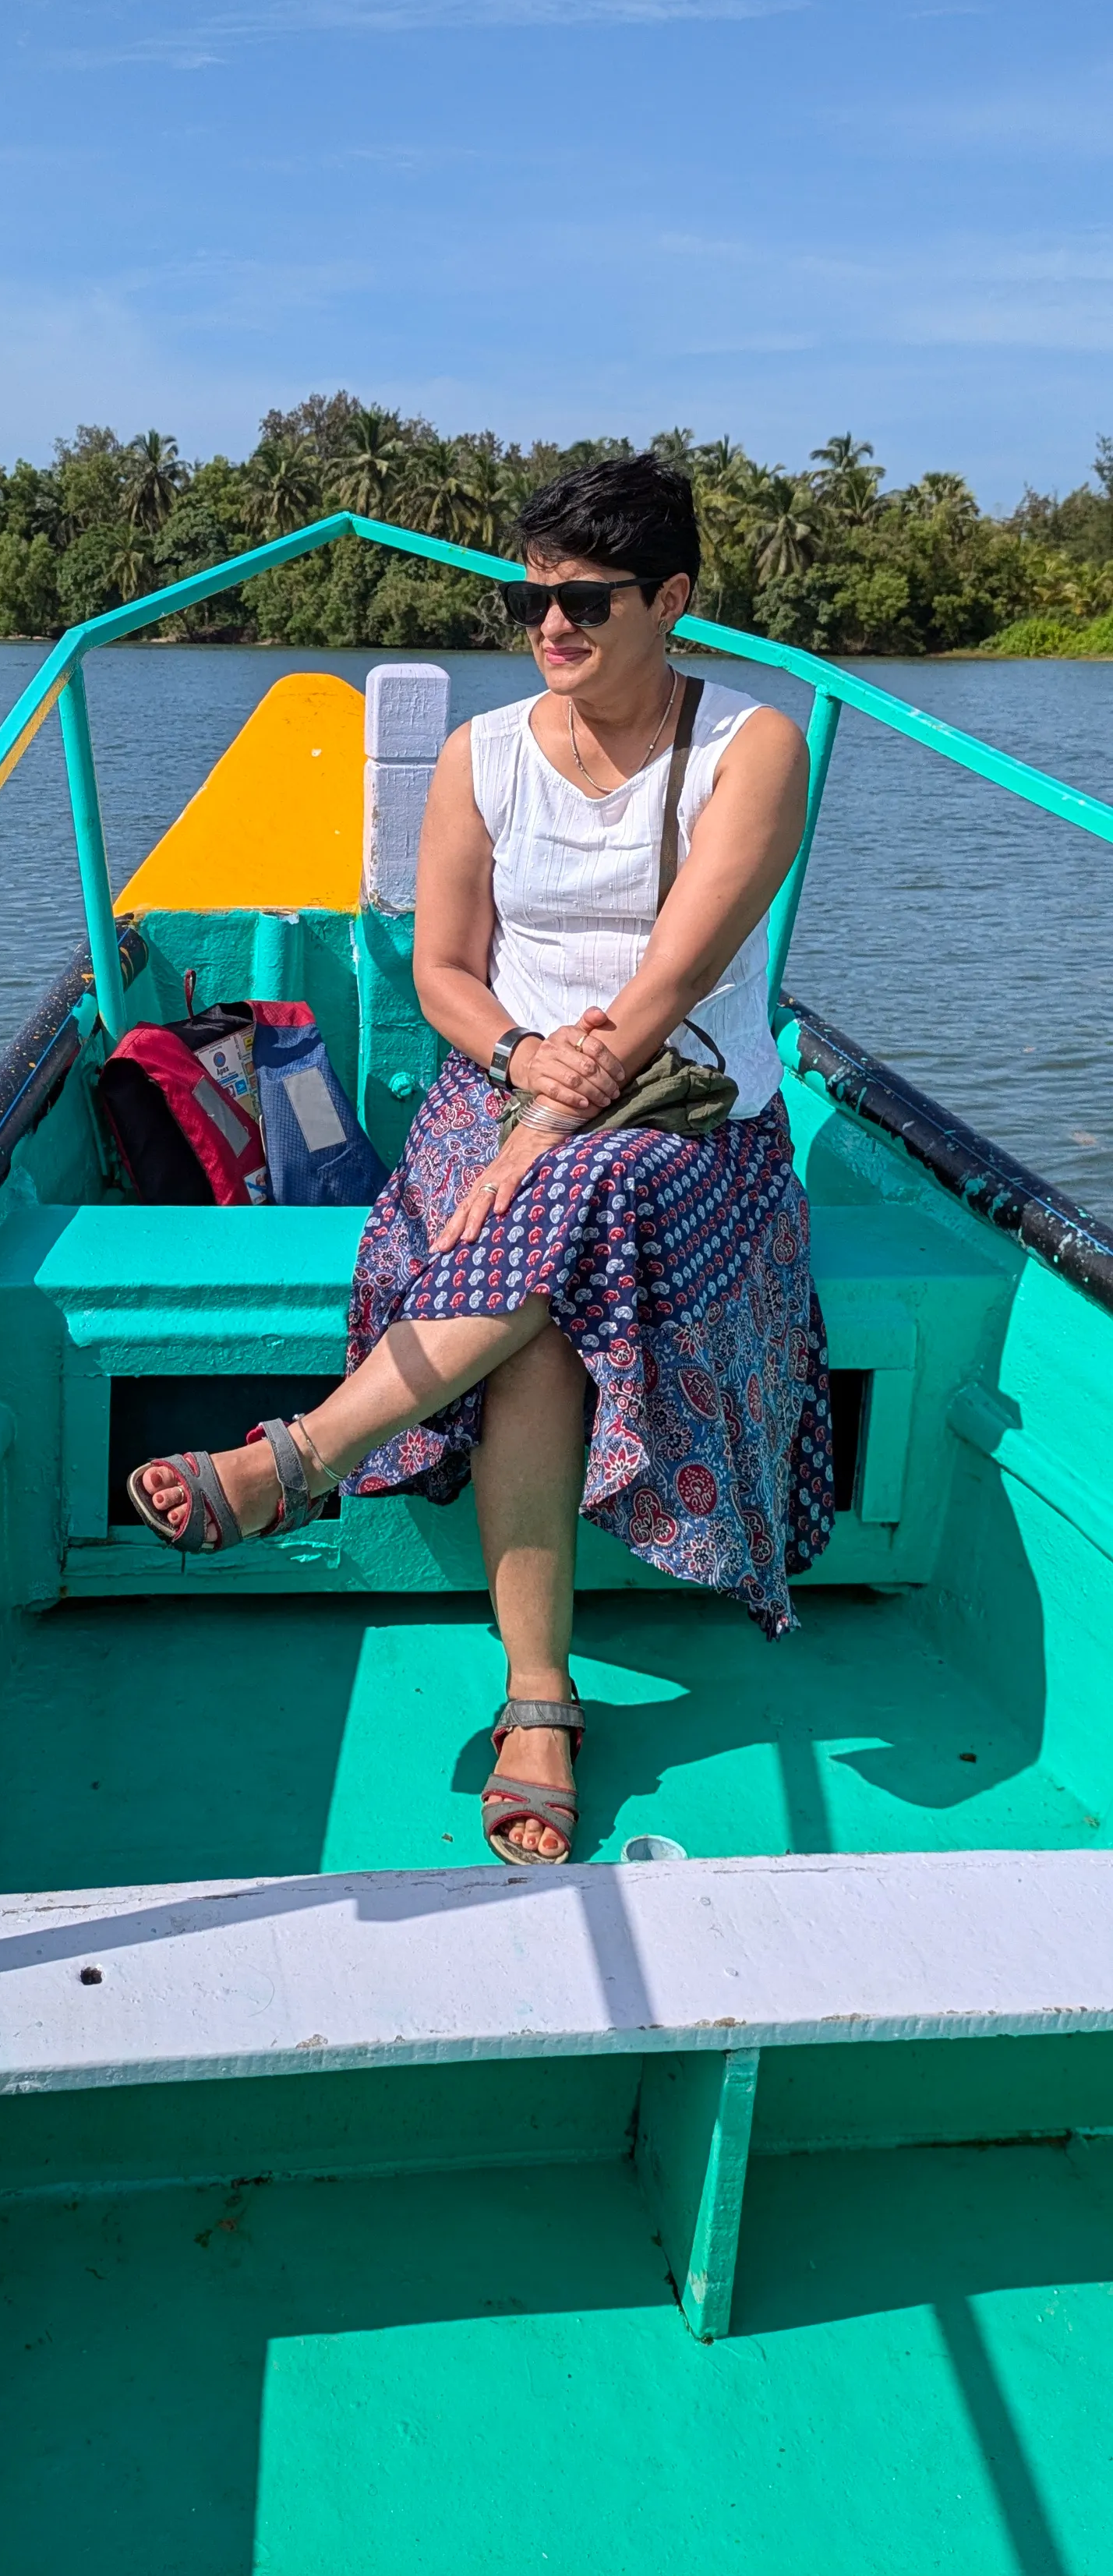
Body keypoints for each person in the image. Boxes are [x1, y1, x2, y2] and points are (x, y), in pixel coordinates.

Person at [127, 453, 835, 1864]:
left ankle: (299, 1460)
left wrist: (555, 1122)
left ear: (671, 601)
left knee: (575, 1198)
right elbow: (444, 970)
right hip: (503, 1086)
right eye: (531, 601)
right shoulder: (485, 754)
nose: (550, 626)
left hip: (687, 1114)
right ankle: (539, 1703)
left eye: (586, 601)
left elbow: (672, 982)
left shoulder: (752, 748)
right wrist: (517, 1066)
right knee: (542, 1312)